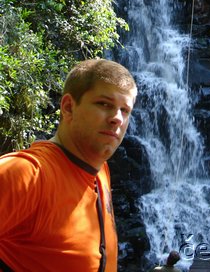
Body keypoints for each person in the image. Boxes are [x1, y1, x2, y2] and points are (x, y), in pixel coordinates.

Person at [0, 58, 137, 272]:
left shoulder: (101, 171)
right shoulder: (26, 173)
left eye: (125, 110)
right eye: (104, 104)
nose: (117, 118)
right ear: (68, 107)